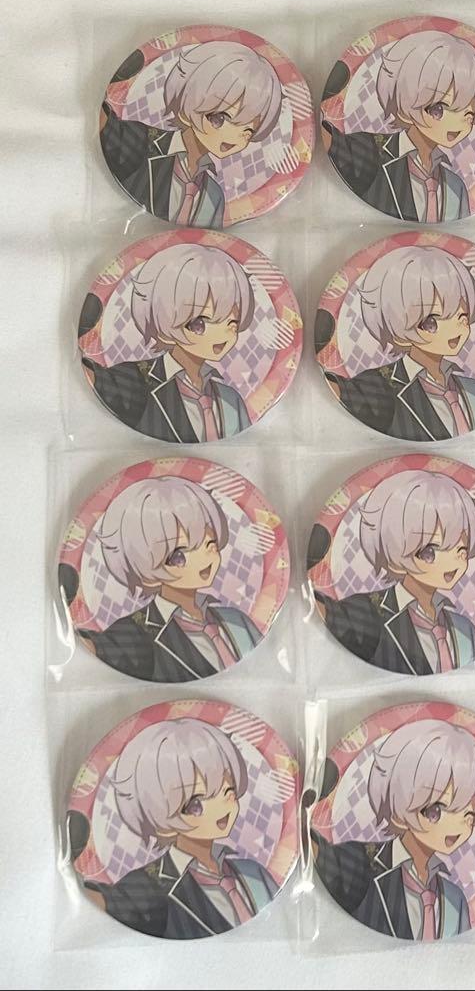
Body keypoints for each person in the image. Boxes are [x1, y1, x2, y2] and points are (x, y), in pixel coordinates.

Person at [84, 718, 277, 939]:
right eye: (196, 803)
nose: (221, 807)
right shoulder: (149, 886)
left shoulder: (254, 872)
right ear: (160, 819)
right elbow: (113, 902)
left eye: (228, 791)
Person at [312, 719, 475, 939]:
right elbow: (315, 852)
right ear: (399, 811)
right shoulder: (359, 863)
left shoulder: (455, 898)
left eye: (468, 816)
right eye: (438, 810)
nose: (457, 826)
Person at [77, 476, 261, 681]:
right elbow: (102, 647)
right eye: (179, 555)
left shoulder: (237, 620)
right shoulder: (136, 632)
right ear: (146, 573)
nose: (203, 559)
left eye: (209, 544)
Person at [312, 470, 475, 674]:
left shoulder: (465, 629)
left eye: (461, 550)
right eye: (430, 551)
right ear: (394, 556)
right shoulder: (366, 613)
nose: (452, 562)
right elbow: (328, 612)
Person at [81, 242, 256, 442]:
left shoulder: (231, 398)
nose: (222, 334)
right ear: (164, 322)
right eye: (201, 322)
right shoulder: (133, 381)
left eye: (232, 323)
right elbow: (98, 379)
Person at [100, 41, 283, 227]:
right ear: (186, 109)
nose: (235, 136)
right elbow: (107, 127)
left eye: (248, 131)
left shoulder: (214, 196)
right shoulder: (141, 141)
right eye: (222, 118)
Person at [322, 246, 475, 439]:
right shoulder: (379, 387)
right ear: (397, 328)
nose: (454, 329)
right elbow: (343, 391)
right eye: (432, 321)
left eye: (462, 317)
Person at [322, 30, 475, 221]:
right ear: (405, 105)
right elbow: (331, 142)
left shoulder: (456, 186)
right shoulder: (370, 151)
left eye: (468, 115)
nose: (457, 123)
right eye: (440, 109)